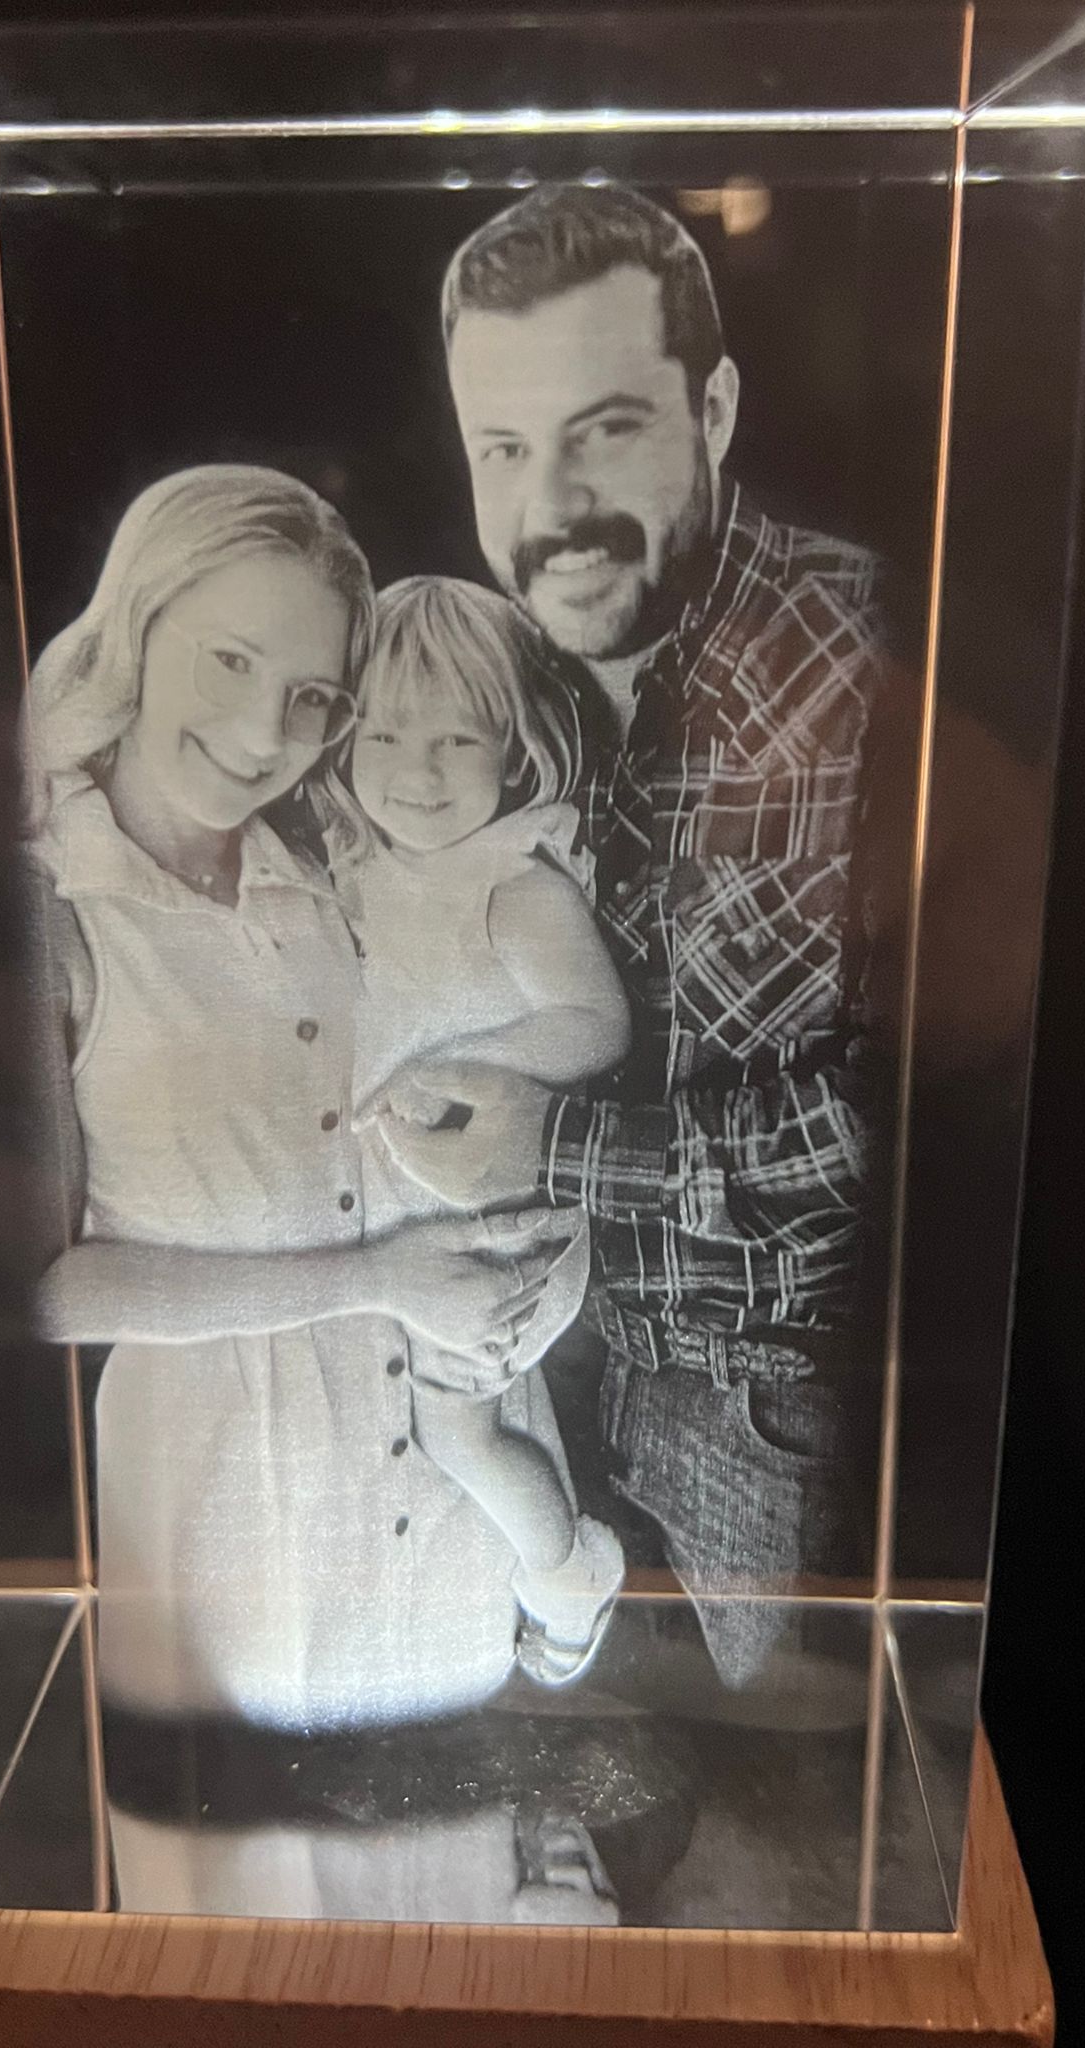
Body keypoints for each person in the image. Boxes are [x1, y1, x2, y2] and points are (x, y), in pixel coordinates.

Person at [381, 183, 890, 1690]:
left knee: (795, 1831)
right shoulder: (510, 672)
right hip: (552, 1361)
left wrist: (558, 1151)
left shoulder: (858, 676)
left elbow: (916, 1134)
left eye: (605, 428)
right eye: (506, 446)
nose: (551, 507)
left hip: (770, 1417)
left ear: (714, 408)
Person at [25, 464, 573, 1737]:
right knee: (265, 1900)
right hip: (230, 1498)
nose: (266, 732)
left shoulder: (346, 861)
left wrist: (527, 1257)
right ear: (138, 625)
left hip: (444, 1452)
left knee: (450, 1893)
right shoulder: (48, 904)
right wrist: (378, 1275)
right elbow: (46, 1291)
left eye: (310, 694)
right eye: (228, 660)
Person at [333, 575, 629, 1683]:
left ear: (514, 749)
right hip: (422, 1210)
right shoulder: (369, 869)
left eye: (457, 738)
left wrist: (469, 1063)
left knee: (457, 1430)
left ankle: (567, 1576)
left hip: (507, 1218)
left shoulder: (513, 885)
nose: (416, 770)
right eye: (388, 733)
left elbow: (596, 1022)